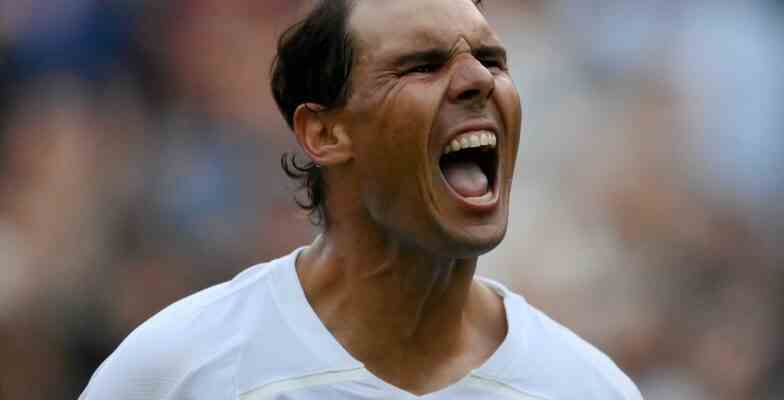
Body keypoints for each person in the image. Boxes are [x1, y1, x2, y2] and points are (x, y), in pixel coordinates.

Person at [80, 0, 642, 398]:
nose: (478, 81)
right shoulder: (175, 372)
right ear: (325, 134)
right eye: (422, 64)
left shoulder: (587, 386)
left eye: (492, 60)